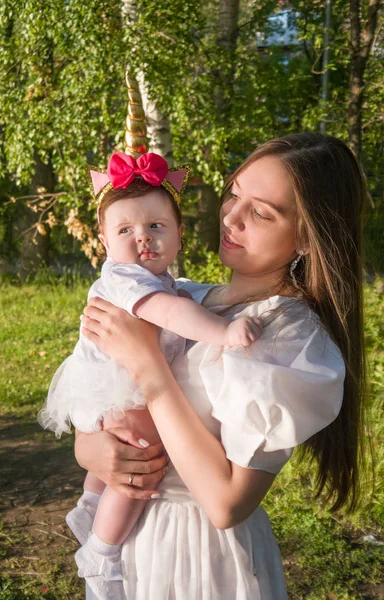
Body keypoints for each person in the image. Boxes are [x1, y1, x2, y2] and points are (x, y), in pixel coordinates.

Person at [76, 132, 368, 600]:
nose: (231, 217)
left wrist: (147, 364)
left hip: (196, 556)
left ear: (309, 238)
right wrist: (90, 448)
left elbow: (226, 504)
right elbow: (102, 388)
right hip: (131, 541)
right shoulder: (186, 297)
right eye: (234, 194)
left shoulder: (285, 334)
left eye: (261, 212)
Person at [38, 150, 263, 599]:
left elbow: (182, 300)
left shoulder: (172, 284)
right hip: (120, 388)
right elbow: (168, 312)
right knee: (141, 464)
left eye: (156, 227)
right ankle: (101, 550)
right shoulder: (127, 280)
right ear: (104, 242)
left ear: (180, 236)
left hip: (119, 387)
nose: (143, 239)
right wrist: (225, 331)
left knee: (120, 464)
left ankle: (90, 506)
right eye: (125, 231)